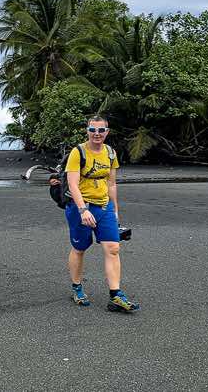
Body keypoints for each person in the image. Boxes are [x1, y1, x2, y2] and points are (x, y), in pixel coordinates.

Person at [65, 116, 139, 313]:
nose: (96, 134)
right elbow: (72, 184)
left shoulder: (110, 153)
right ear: (87, 131)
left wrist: (114, 209)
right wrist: (82, 210)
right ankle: (77, 288)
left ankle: (115, 295)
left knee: (113, 248)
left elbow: (111, 183)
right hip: (80, 207)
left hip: (104, 206)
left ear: (107, 132)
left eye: (101, 130)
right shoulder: (78, 152)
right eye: (93, 130)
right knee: (80, 248)